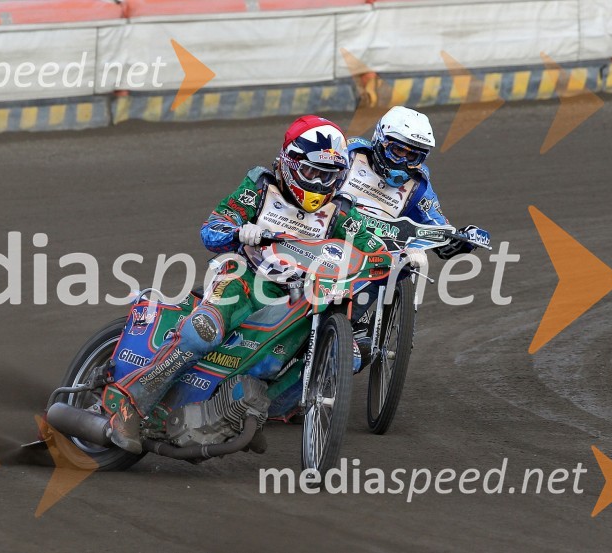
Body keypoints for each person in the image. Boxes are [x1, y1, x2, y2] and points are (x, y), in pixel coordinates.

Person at [102, 115, 376, 453]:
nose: (320, 185)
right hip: (244, 278)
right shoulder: (260, 189)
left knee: (348, 356)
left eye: (330, 177)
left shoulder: (341, 213)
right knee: (203, 331)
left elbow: (372, 249)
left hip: (301, 295)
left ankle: (246, 411)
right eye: (313, 173)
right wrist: (237, 231)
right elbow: (212, 228)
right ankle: (129, 406)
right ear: (289, 163)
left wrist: (397, 260)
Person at [336, 106, 490, 366]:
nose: (403, 163)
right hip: (323, 238)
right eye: (397, 151)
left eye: (414, 156)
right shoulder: (348, 154)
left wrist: (461, 241)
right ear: (380, 139)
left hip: (369, 258)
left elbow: (439, 233)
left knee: (406, 263)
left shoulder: (419, 185)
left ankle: (356, 321)